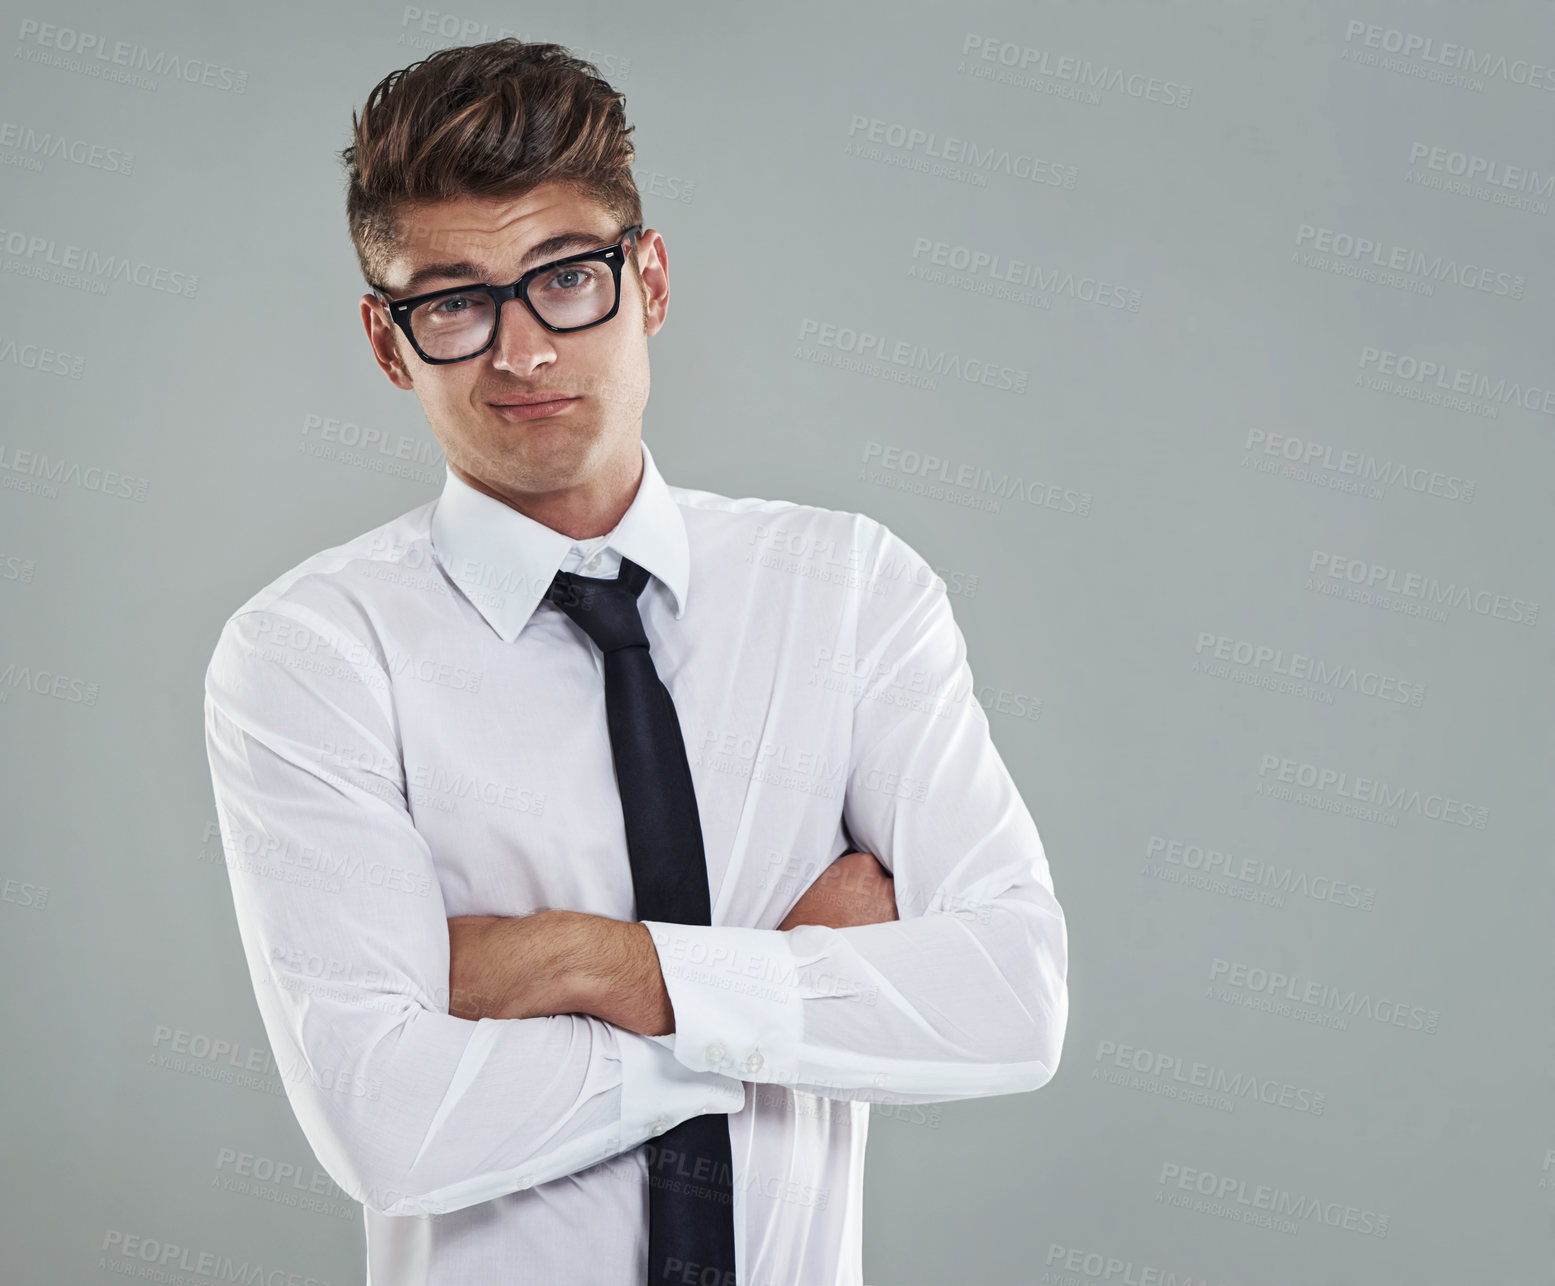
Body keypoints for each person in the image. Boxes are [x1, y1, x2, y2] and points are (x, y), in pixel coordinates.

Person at [201, 37, 1068, 1286]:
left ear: (648, 279)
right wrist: (774, 985)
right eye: (452, 301)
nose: (522, 351)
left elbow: (1009, 997)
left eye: (566, 277)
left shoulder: (850, 590)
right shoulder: (313, 655)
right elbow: (389, 1121)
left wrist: (586, 962)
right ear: (389, 344)